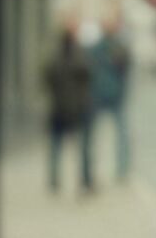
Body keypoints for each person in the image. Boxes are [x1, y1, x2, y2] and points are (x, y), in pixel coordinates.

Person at [42, 23, 94, 194]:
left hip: (61, 108)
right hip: (74, 110)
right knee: (79, 148)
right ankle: (83, 181)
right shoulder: (79, 57)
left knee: (60, 148)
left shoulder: (56, 57)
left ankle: (56, 180)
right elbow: (87, 76)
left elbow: (47, 78)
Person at [89, 15, 132, 181]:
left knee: (121, 135)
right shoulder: (101, 48)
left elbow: (125, 71)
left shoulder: (118, 48)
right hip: (102, 96)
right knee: (109, 135)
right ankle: (101, 171)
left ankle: (121, 169)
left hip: (112, 96)